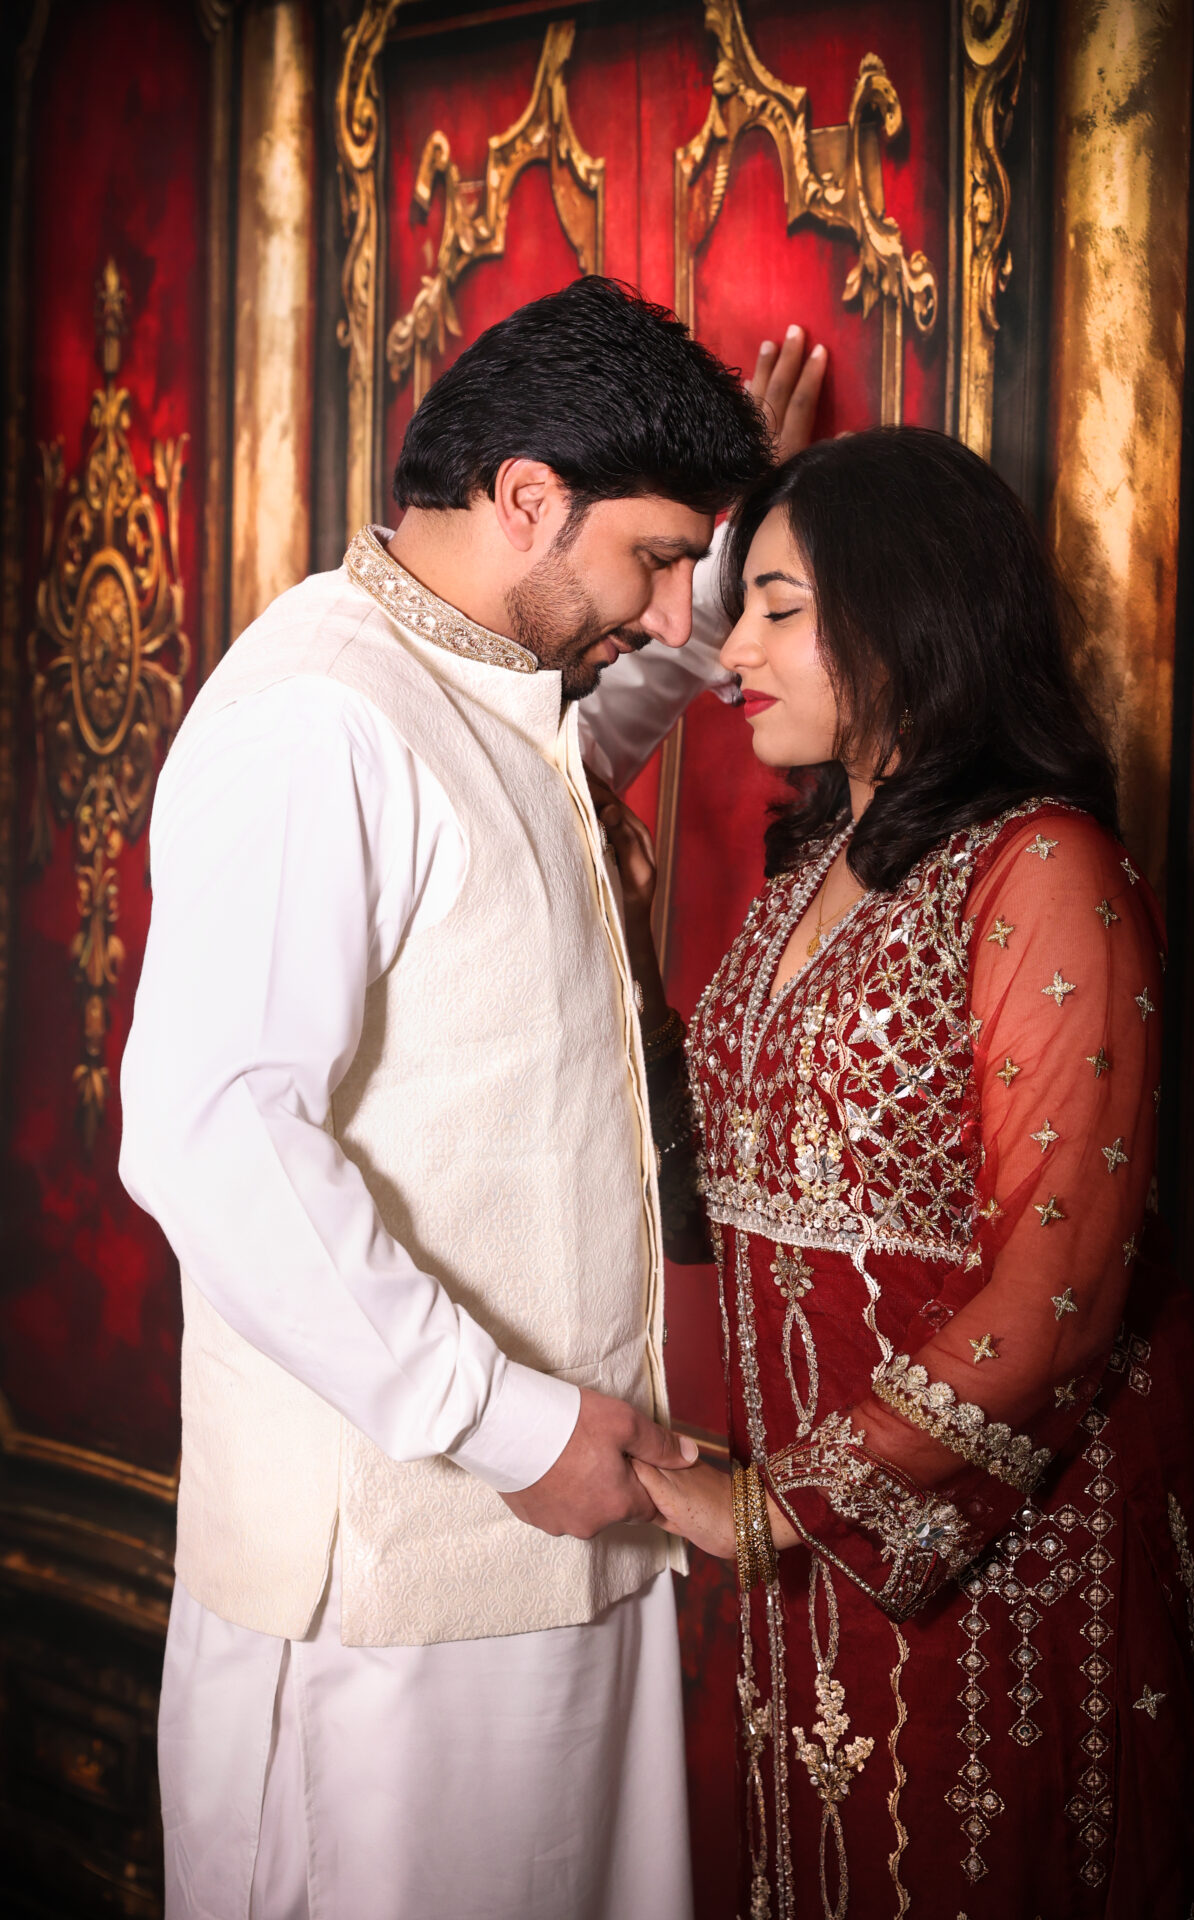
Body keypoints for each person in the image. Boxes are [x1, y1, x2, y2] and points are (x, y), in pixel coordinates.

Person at [118, 276, 786, 1920]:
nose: (659, 608)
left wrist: (696, 637)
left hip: (555, 1531)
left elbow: (536, 776)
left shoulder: (482, 685)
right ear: (526, 498)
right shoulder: (320, 718)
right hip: (390, 1605)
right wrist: (513, 1425)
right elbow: (209, 1135)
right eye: (650, 562)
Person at [605, 429, 1194, 1919]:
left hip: (1010, 1551)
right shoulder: (815, 866)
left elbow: (1062, 1296)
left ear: (903, 612)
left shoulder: (1046, 869)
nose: (732, 648)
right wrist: (641, 977)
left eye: (772, 606)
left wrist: (779, 1507)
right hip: (813, 1555)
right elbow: (730, 1189)